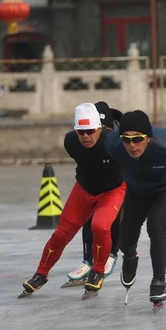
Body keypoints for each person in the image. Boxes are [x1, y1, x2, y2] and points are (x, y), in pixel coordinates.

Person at [19, 103, 126, 299]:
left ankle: (97, 271)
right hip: (84, 189)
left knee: (100, 226)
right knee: (61, 234)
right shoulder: (70, 141)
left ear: (100, 128)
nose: (85, 136)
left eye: (90, 131)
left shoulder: (114, 142)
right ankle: (40, 274)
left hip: (113, 190)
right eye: (81, 131)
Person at [105, 110, 166, 308]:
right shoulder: (113, 145)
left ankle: (158, 281)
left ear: (149, 137)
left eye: (138, 139)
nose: (132, 145)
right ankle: (129, 257)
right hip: (137, 188)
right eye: (127, 140)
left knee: (155, 226)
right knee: (125, 234)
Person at [63, 101, 124, 287]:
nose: (89, 136)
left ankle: (113, 253)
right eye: (84, 131)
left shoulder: (116, 142)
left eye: (97, 129)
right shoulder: (75, 141)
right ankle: (87, 260)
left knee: (108, 220)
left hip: (117, 185)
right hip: (92, 185)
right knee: (88, 220)